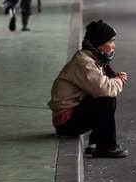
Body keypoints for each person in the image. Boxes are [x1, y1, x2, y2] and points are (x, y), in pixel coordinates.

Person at [49, 20, 129, 158]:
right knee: (106, 101)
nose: (113, 46)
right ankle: (106, 147)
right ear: (99, 44)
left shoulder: (90, 57)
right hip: (66, 122)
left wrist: (113, 77)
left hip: (70, 116)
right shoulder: (84, 63)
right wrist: (119, 80)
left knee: (101, 99)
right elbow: (105, 89)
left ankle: (96, 142)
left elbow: (98, 84)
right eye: (110, 42)